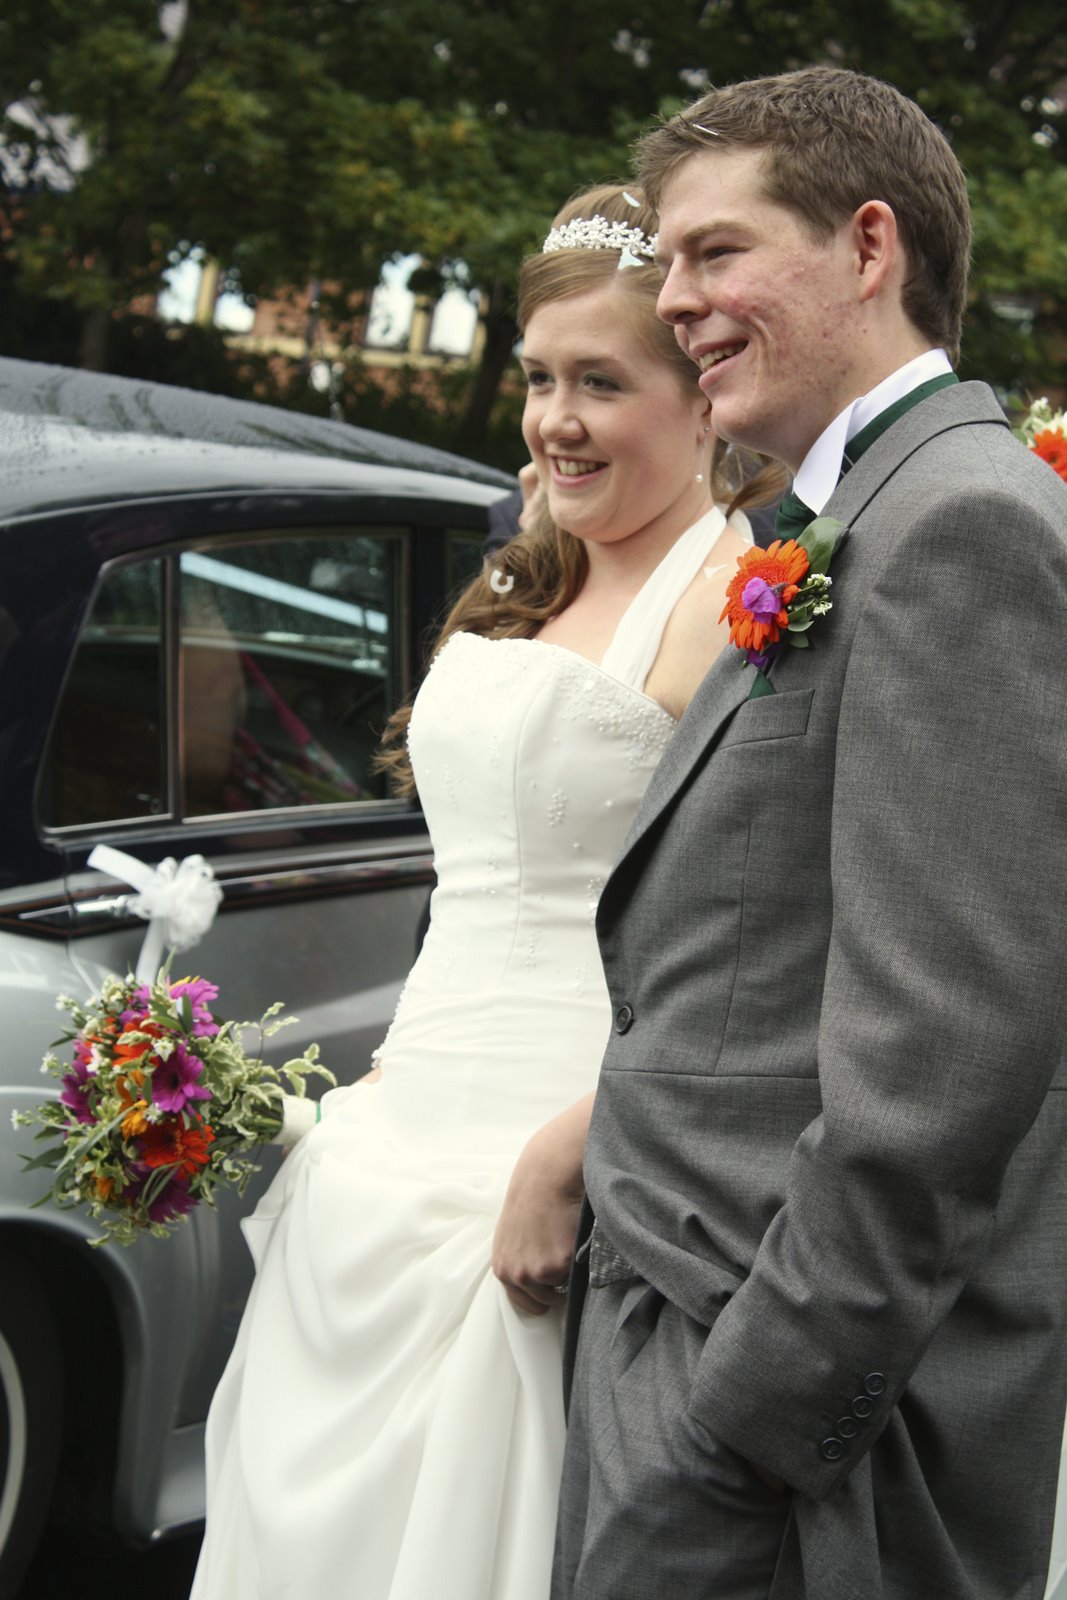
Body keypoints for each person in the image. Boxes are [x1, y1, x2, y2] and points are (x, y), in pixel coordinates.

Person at [189, 183, 781, 1600]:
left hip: (556, 1160)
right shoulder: (538, 568)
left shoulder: (738, 592)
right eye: (536, 379)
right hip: (393, 1140)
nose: (554, 419)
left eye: (601, 383)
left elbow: (761, 949)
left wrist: (573, 1152)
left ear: (705, 400)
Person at [550, 68, 1067, 1600]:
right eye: (671, 263)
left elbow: (945, 1060)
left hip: (788, 1436)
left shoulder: (961, 525)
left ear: (867, 247)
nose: (678, 303)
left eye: (716, 255)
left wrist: (752, 1425)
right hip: (692, 1340)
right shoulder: (852, 517)